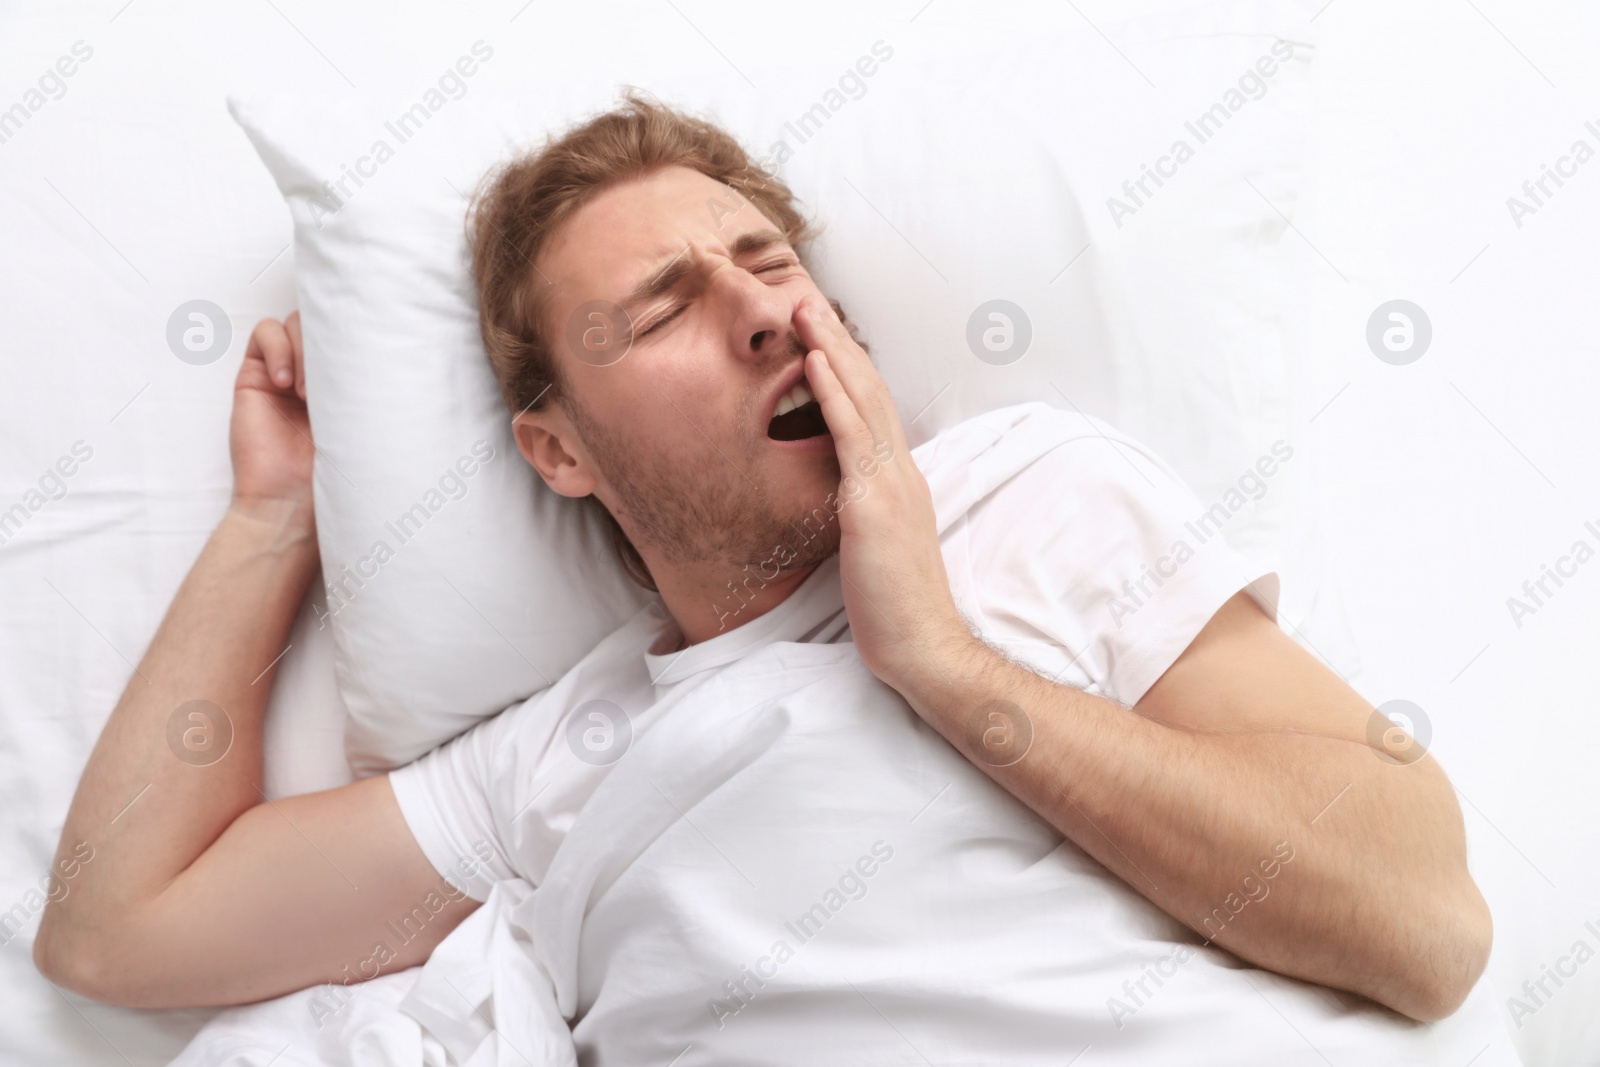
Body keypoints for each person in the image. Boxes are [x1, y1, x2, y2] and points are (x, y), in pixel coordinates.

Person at [36, 93, 1496, 1058]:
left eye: (768, 261)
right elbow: (118, 929)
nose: (761, 313)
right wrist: (276, 517)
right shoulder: (560, 756)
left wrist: (942, 662)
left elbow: (1424, 922)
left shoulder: (1029, 494)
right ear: (559, 452)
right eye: (666, 306)